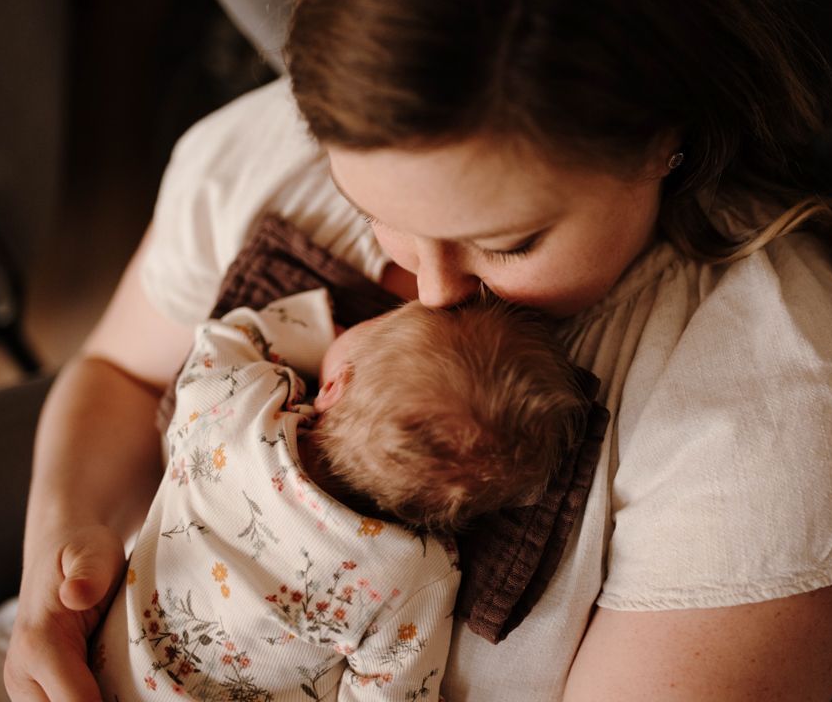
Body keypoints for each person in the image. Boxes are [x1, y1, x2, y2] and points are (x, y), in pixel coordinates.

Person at [0, 0, 832, 699]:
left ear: (662, 138)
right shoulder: (269, 152)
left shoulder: (769, 408)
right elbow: (115, 371)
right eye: (375, 213)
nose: (433, 290)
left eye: (509, 240)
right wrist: (50, 599)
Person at [91, 288, 587, 701]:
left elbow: (231, 333)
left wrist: (310, 322)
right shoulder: (412, 575)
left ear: (334, 386)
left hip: (95, 671)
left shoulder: (237, 407)